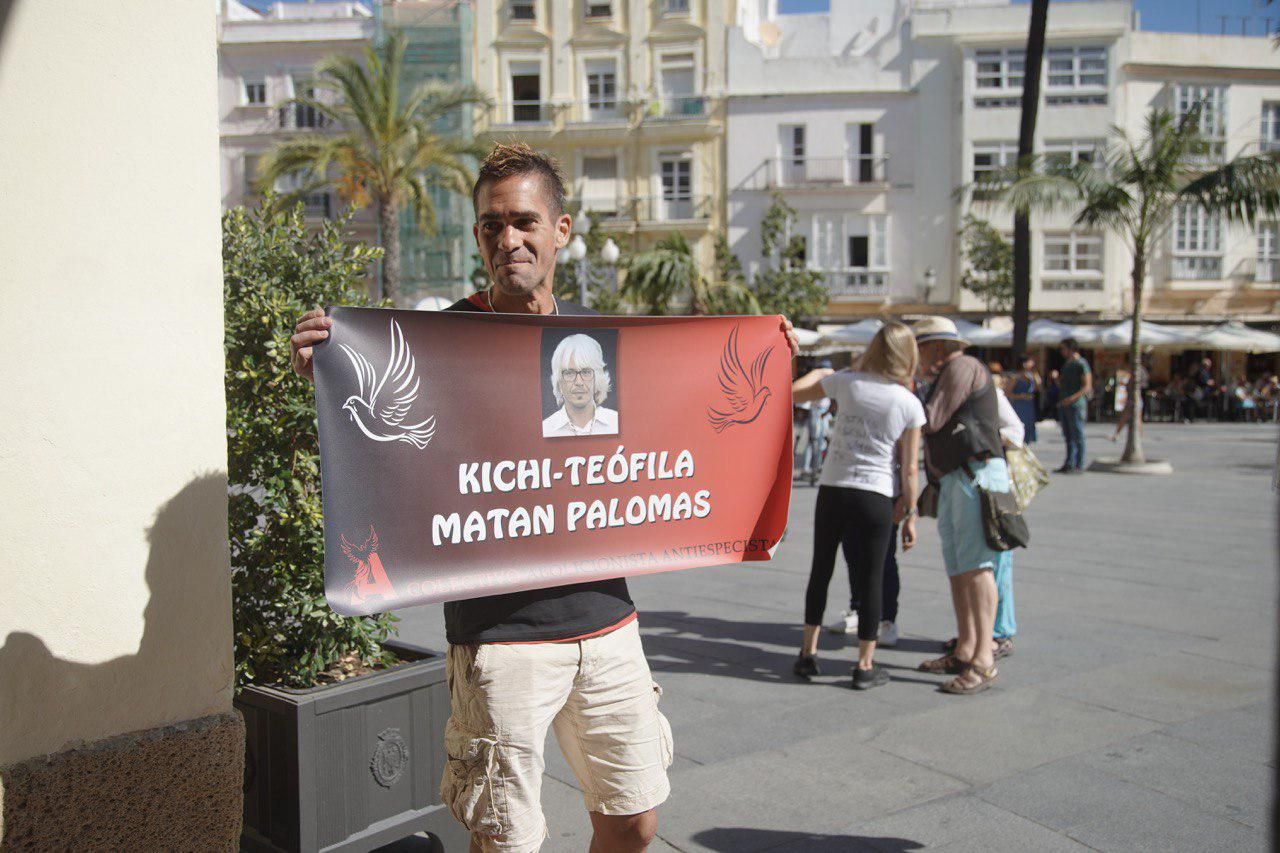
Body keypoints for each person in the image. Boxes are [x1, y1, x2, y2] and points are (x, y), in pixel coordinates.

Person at [291, 141, 802, 853]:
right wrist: (326, 364)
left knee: (634, 819)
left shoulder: (598, 342)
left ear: (561, 230)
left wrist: (766, 353)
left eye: (525, 221)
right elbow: (379, 436)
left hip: (607, 623)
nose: (509, 239)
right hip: (501, 642)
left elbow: (684, 421)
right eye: (492, 225)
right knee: (506, 841)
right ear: (477, 236)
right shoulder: (443, 340)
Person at [791, 322, 923, 690]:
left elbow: (792, 395)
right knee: (872, 577)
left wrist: (819, 372)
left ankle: (807, 653)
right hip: (876, 493)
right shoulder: (909, 403)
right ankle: (864, 665)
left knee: (821, 568)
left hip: (834, 487)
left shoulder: (847, 382)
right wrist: (910, 514)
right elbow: (910, 468)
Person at [912, 317, 1009, 695]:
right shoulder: (954, 369)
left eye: (919, 348)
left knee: (976, 566)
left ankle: (984, 658)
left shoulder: (961, 367)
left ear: (935, 346)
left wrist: (904, 390)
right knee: (959, 566)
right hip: (958, 476)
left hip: (975, 474)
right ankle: (966, 646)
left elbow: (931, 419)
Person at [542, 333, 619, 437]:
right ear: (559, 382)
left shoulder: (615, 422)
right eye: (569, 373)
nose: (579, 382)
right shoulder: (546, 429)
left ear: (598, 379)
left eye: (586, 372)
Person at [1055, 338, 1092, 474]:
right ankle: (1069, 462)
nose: (1061, 352)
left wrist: (1072, 398)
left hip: (1076, 405)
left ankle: (1079, 464)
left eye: (1063, 348)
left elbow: (1087, 386)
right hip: (1065, 404)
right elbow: (1063, 385)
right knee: (1068, 435)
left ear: (1071, 349)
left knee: (1078, 434)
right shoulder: (1067, 364)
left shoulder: (1081, 364)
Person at [1008, 356, 1041, 444]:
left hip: (1029, 406)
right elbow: (1007, 392)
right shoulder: (1015, 377)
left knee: (1028, 428)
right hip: (1019, 405)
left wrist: (1035, 372)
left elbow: (1038, 387)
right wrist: (1020, 396)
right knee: (1020, 427)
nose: (1032, 363)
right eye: (1030, 361)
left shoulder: (1031, 375)